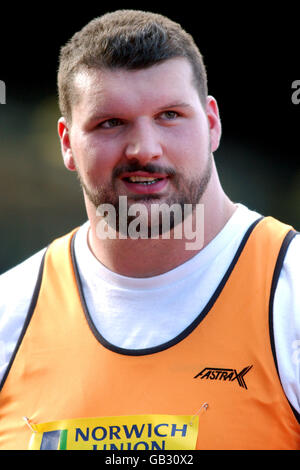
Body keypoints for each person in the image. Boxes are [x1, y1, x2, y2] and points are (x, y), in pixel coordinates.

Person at [0, 9, 299, 451]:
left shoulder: (289, 292)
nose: (144, 149)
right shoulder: (11, 311)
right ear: (66, 142)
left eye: (169, 115)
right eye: (110, 123)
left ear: (212, 122)